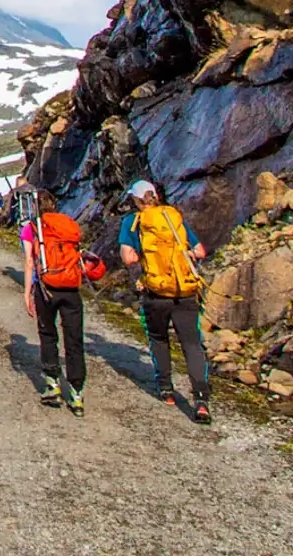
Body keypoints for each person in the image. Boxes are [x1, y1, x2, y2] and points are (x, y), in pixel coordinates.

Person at [118, 178, 212, 424]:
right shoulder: (173, 217)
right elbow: (200, 251)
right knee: (192, 343)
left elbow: (128, 258)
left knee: (159, 338)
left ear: (136, 200)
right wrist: (181, 254)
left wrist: (145, 257)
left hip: (155, 292)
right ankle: (201, 399)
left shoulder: (132, 222)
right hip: (185, 290)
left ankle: (166, 389)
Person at [21, 189, 87, 416]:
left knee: (48, 335)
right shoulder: (68, 224)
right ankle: (77, 394)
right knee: (74, 339)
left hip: (46, 287)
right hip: (71, 288)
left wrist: (27, 291)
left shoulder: (34, 227)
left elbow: (30, 260)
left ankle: (53, 385)